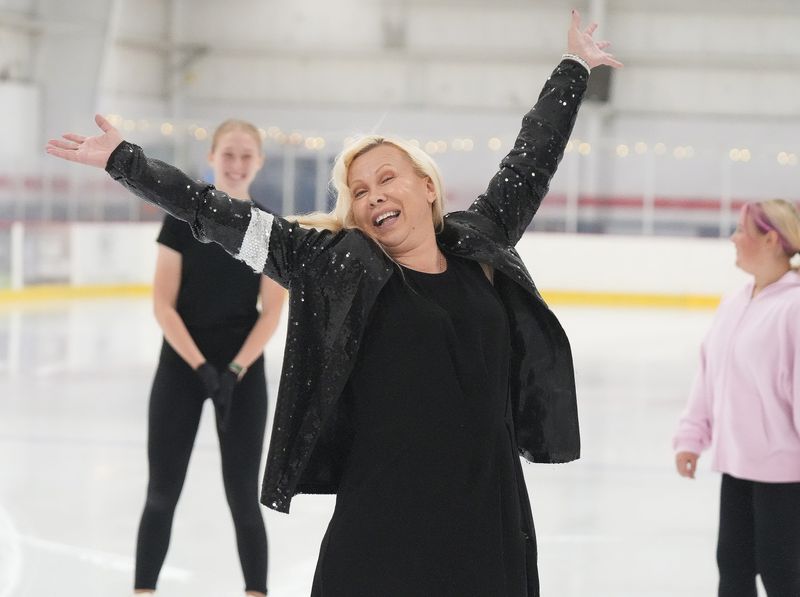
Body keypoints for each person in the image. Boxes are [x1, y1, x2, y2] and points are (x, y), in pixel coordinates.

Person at [46, 10, 621, 596]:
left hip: (487, 514)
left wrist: (573, 67)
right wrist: (126, 162)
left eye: (387, 178)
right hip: (384, 525)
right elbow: (215, 213)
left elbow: (531, 159)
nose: (373, 197)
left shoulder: (481, 243)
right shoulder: (340, 266)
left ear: (427, 185)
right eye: (359, 192)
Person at [134, 120, 285, 596]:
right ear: (212, 157)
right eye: (229, 154)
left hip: (242, 370)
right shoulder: (181, 219)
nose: (237, 164)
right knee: (161, 494)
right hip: (182, 366)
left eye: (246, 156)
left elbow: (271, 314)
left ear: (258, 162)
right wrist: (199, 366)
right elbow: (163, 304)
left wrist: (235, 369)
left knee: (243, 498)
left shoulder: (269, 229)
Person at [673, 200, 800, 597]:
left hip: (785, 475)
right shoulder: (735, 302)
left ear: (771, 239)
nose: (733, 237)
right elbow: (709, 375)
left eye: (742, 230)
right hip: (737, 466)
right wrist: (692, 436)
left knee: (784, 577)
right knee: (733, 571)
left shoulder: (794, 309)